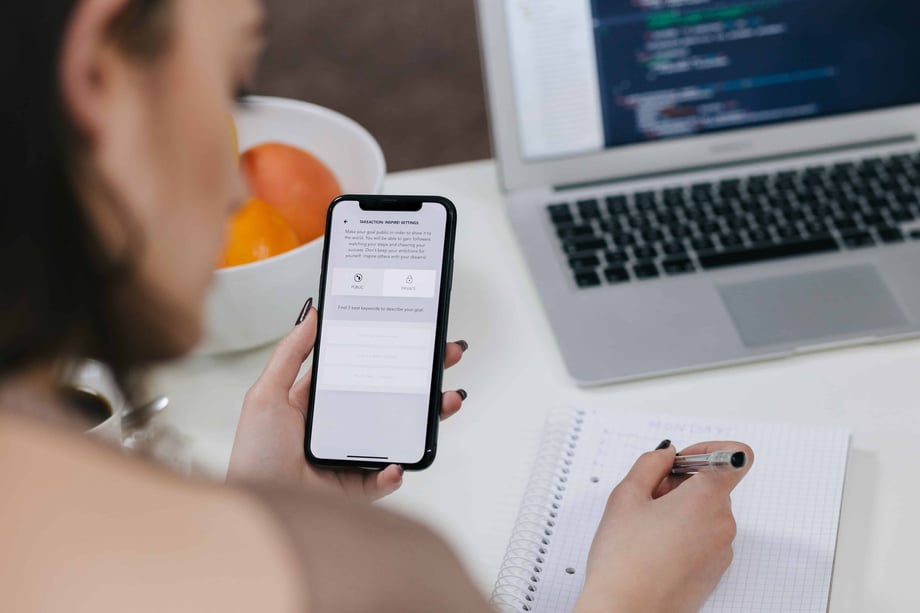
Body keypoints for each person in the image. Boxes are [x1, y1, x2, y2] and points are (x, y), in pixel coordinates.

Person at [0, 1, 754, 611]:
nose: (239, 189)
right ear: (100, 73)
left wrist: (259, 499)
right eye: (229, 88)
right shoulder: (367, 583)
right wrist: (633, 594)